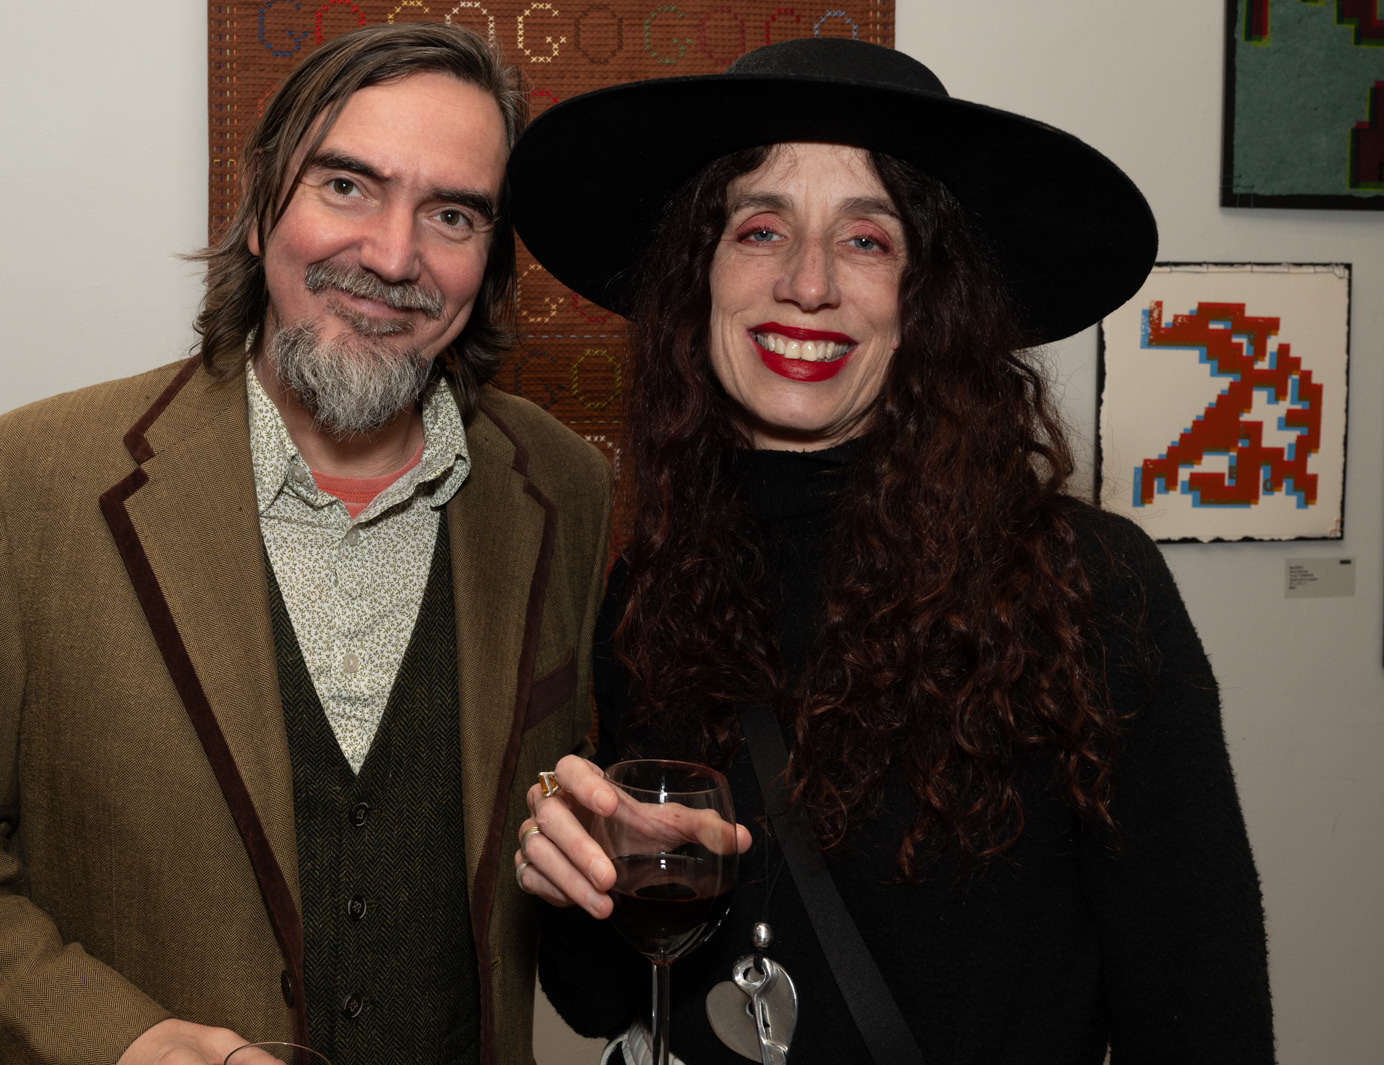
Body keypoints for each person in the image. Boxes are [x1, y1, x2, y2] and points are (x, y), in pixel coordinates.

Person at [0, 23, 613, 1065]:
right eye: (347, 185)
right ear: (259, 208)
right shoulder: (28, 484)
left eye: (453, 214)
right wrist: (121, 1042)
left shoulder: (563, 487)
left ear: (491, 260)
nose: (392, 256)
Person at [506, 38, 1274, 1064]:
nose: (807, 282)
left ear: (927, 300)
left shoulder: (1086, 589)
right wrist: (573, 875)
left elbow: (1203, 1015)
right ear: (699, 277)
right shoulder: (655, 588)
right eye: (761, 228)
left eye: (866, 240)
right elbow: (599, 999)